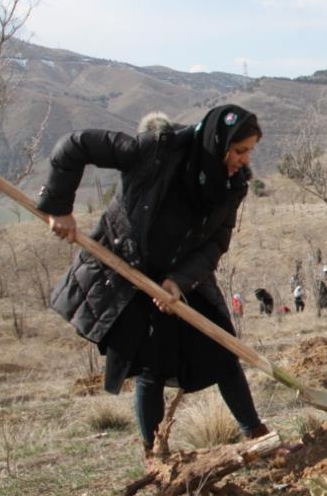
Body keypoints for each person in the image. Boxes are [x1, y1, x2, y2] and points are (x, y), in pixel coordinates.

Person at [39, 105, 271, 456]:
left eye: (249, 151)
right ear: (218, 143)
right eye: (240, 151)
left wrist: (178, 281)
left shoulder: (231, 186)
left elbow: (215, 244)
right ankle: (155, 454)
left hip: (184, 279)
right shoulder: (155, 150)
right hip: (130, 273)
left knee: (224, 351)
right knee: (152, 366)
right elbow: (75, 145)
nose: (244, 160)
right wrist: (59, 207)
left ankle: (255, 433)